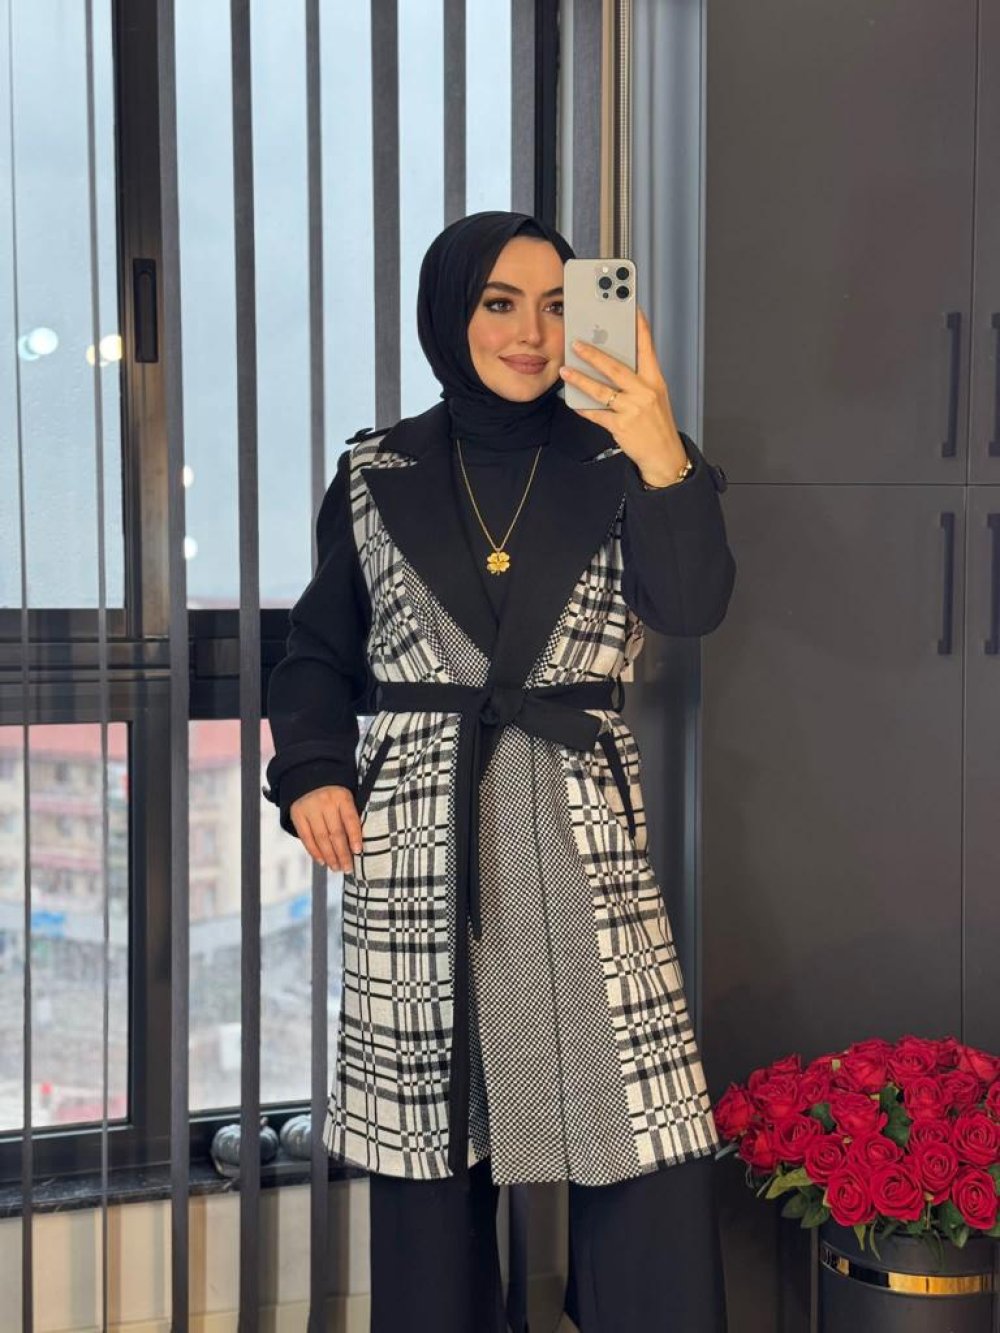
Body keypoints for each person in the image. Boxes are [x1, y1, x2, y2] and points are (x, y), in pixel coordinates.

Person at [264, 211, 735, 1332]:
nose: (531, 332)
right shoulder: (376, 471)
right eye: (500, 302)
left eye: (560, 305)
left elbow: (692, 606)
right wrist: (315, 769)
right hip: (421, 836)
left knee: (637, 1132)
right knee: (431, 1151)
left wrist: (661, 448)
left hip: (579, 820)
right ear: (449, 313)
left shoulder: (628, 457)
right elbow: (317, 650)